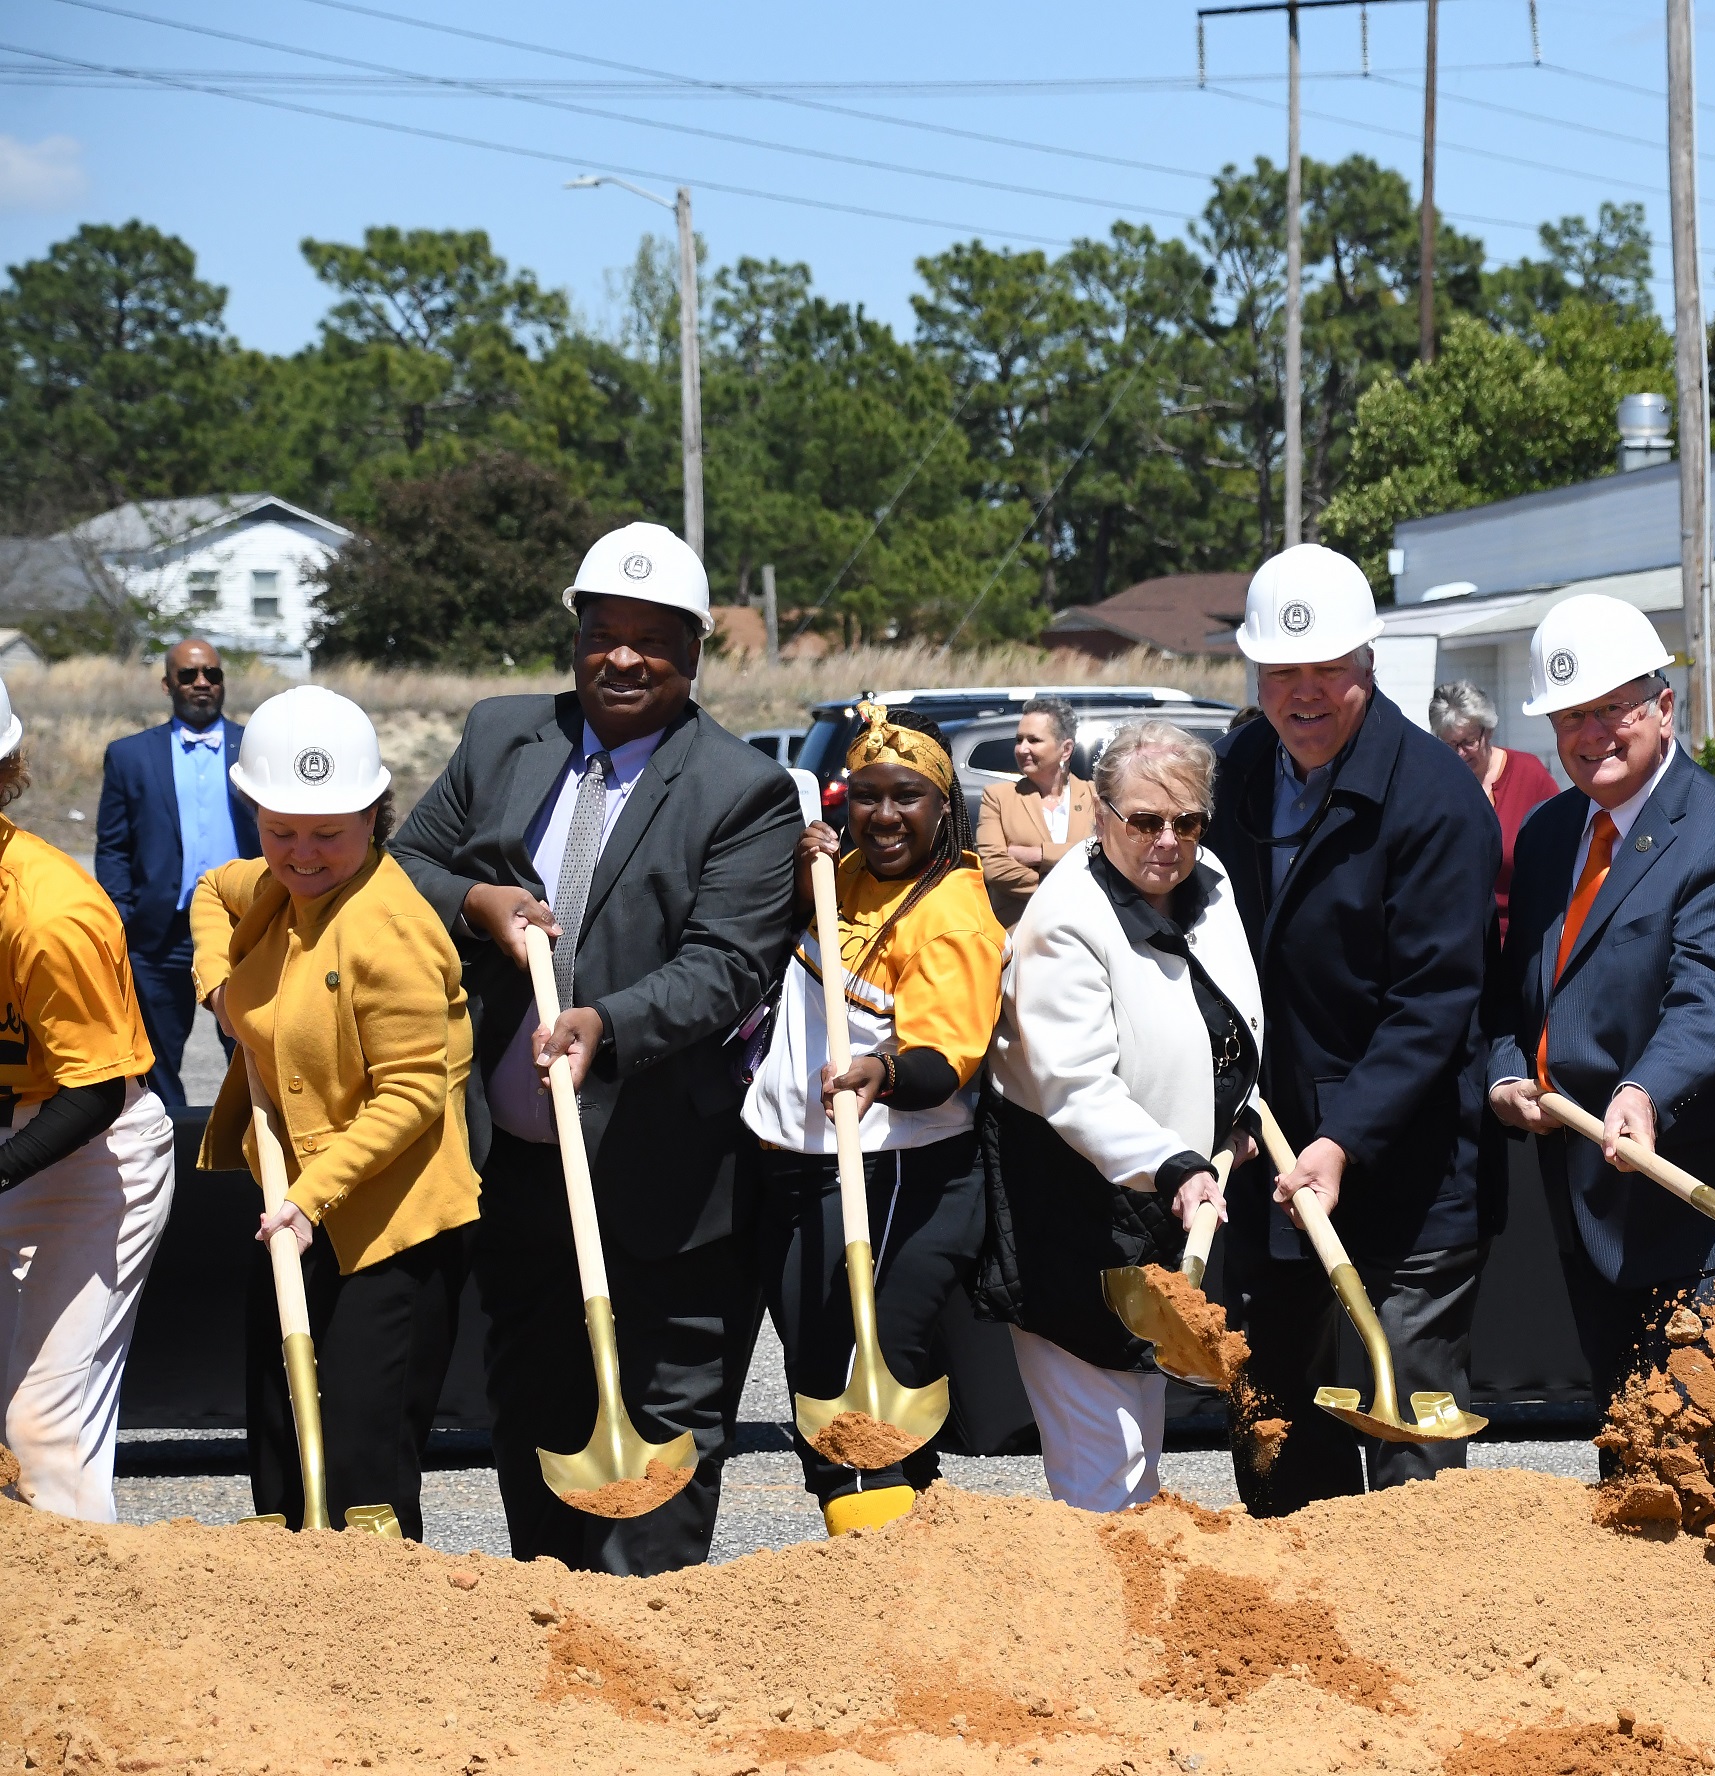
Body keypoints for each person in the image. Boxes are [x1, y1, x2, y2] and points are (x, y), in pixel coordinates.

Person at [391, 520, 799, 1575]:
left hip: (660, 1177)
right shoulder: (499, 738)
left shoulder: (743, 789)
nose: (622, 657)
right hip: (516, 1164)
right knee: (534, 1406)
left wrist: (606, 1023)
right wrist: (476, 899)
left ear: (697, 649)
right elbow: (404, 866)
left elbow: (730, 962)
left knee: (663, 1426)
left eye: (651, 637)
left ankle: (645, 1648)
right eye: (600, 633)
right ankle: (552, 1625)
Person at [1209, 543, 1499, 1515]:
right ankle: (1299, 1658)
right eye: (1280, 671)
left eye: (1325, 670)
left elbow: (1434, 1000)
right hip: (1273, 1170)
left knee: (1405, 1454)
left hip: (1400, 1182)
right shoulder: (1240, 769)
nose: (1301, 694)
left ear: (1367, 664)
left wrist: (1344, 1137)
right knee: (1283, 1449)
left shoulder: (1437, 801)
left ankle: (1420, 1656)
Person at [1483, 596, 1715, 1406]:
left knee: (1706, 1462)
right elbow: (1522, 988)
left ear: (1663, 706)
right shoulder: (1550, 833)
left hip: (1694, 1214)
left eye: (1612, 710)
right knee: (1625, 1458)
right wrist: (1509, 1070)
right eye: (1571, 716)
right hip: (1585, 1200)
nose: (1592, 736)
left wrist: (1641, 1087)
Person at [192, 687, 477, 1540]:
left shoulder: (389, 929)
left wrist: (311, 1197)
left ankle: (381, 1644)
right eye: (280, 831)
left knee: (363, 1465)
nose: (302, 854)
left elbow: (414, 1092)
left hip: (387, 1227)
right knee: (280, 1440)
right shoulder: (275, 889)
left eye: (328, 833)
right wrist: (218, 982)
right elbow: (212, 889)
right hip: (298, 1205)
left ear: (375, 815)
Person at [979, 722, 1264, 1510]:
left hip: (1160, 1192)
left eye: (1187, 821)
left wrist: (1235, 1109)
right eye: (1143, 820)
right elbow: (1074, 1086)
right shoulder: (1065, 917)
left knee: (1139, 1441)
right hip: (1072, 1203)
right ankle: (1093, 1622)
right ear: (1100, 811)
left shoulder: (1206, 879)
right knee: (1103, 1463)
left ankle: (1128, 1615)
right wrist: (1177, 1162)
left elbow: (1219, 1012)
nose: (1168, 841)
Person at [744, 702, 1004, 1536]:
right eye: (867, 795)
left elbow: (944, 1062)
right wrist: (796, 876)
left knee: (854, 1393)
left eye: (908, 797)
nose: (885, 816)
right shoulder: (841, 874)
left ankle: (884, 1598)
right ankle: (913, 1567)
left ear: (944, 805)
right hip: (795, 1166)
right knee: (821, 1375)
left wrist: (883, 1070)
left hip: (897, 1175)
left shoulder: (954, 911)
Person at [0, 672, 176, 1521]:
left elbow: (95, 1094)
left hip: (87, 1159)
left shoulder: (48, 913)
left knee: (41, 1429)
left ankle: (92, 1644)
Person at [95, 638, 259, 1112]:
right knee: (157, 1063)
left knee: (253, 1050)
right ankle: (175, 1164)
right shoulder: (130, 756)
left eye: (212, 673)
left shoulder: (252, 748)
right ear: (168, 684)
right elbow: (113, 846)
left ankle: (251, 1163)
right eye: (188, 675)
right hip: (160, 934)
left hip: (242, 930)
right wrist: (122, 915)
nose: (202, 683)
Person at [1430, 679, 1559, 943]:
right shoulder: (1434, 785)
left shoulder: (1529, 774)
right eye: (1449, 744)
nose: (1459, 754)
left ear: (1487, 732)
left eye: (1468, 742)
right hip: (1458, 942)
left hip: (1524, 940)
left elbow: (1564, 853)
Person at [975, 696, 1099, 927]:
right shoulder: (998, 797)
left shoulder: (1094, 797)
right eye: (1019, 739)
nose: (1022, 748)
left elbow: (1103, 855)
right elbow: (994, 868)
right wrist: (1073, 886)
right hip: (1020, 934)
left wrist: (1037, 855)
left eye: (1034, 740)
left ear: (1066, 750)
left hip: (1085, 930)